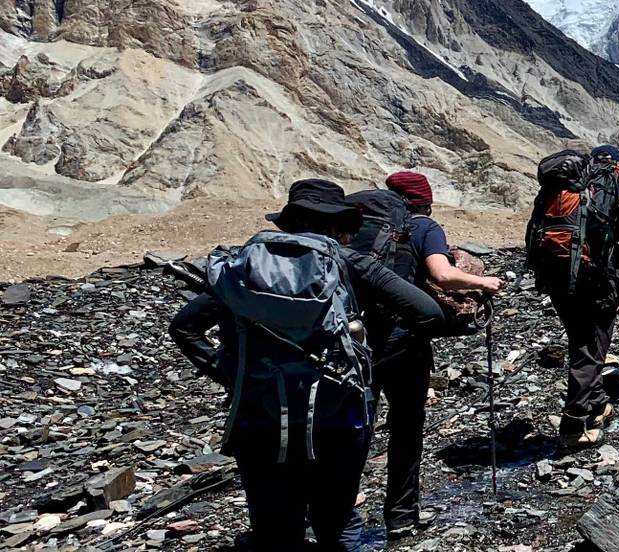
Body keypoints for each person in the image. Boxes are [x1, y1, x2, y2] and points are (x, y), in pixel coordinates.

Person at [170, 179, 442, 552]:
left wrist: (233, 375)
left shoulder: (243, 267)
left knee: (274, 530)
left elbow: (184, 328)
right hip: (337, 416)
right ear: (336, 225)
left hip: (258, 415)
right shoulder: (350, 264)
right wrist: (364, 366)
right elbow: (427, 313)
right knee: (336, 523)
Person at [369, 172, 501, 537]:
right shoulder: (423, 226)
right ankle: (401, 516)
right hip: (403, 338)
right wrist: (482, 282)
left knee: (352, 430)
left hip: (353, 340)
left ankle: (335, 522)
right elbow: (441, 275)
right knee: (406, 427)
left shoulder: (358, 225)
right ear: (425, 202)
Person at [527, 145, 619, 448]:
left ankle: (597, 404)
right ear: (618, 165)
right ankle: (573, 425)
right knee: (591, 346)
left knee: (579, 339)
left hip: (556, 278)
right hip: (596, 281)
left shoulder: (560, 191)